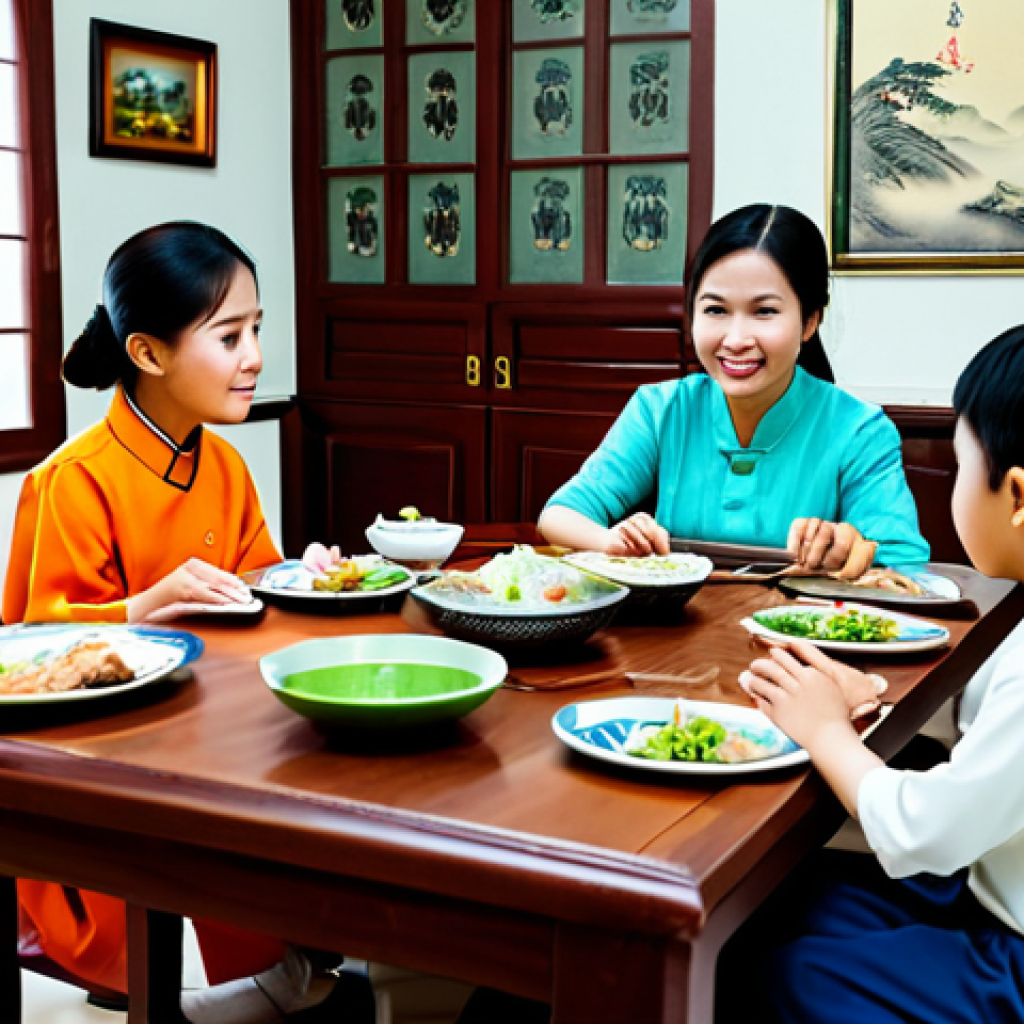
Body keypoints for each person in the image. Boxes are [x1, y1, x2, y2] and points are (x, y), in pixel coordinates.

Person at [2, 222, 371, 1022]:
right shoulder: (71, 483)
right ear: (148, 353)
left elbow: (256, 597)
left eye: (257, 331)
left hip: (220, 755)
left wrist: (296, 578)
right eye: (231, 335)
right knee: (240, 964)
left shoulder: (225, 466)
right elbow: (34, 662)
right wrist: (140, 610)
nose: (255, 358)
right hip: (108, 802)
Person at [723, 324, 1024, 1022]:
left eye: (956, 468)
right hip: (986, 884)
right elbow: (993, 708)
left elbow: (930, 831)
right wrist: (874, 689)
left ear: (1014, 496)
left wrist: (828, 732)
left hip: (1008, 948)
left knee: (793, 978)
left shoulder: (852, 427)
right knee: (780, 900)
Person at [538, 204, 929, 576]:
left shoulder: (860, 430)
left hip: (794, 641)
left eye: (764, 312)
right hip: (675, 636)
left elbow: (904, 564)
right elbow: (560, 514)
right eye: (715, 310)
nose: (736, 339)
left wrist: (850, 546)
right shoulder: (660, 409)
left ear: (810, 322)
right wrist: (612, 543)